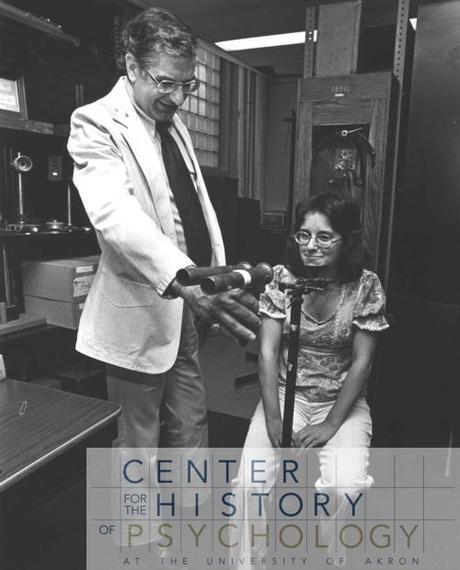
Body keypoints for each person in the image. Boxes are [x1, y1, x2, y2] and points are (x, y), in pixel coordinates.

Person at [67, 7, 260, 449]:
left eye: (187, 84)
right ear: (133, 67)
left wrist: (212, 274)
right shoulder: (95, 121)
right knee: (138, 440)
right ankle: (136, 521)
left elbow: (190, 208)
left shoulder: (173, 125)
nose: (178, 97)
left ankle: (188, 513)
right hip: (139, 312)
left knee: (192, 423)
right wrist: (183, 277)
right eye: (166, 82)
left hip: (187, 309)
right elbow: (115, 213)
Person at [232, 193, 389, 566]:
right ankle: (247, 563)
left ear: (345, 240)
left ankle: (332, 557)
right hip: (287, 395)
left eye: (324, 237)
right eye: (304, 236)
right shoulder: (283, 280)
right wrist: (272, 415)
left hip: (342, 404)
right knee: (248, 486)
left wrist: (332, 422)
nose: (311, 247)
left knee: (345, 488)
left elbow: (363, 363)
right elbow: (268, 352)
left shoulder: (366, 286)